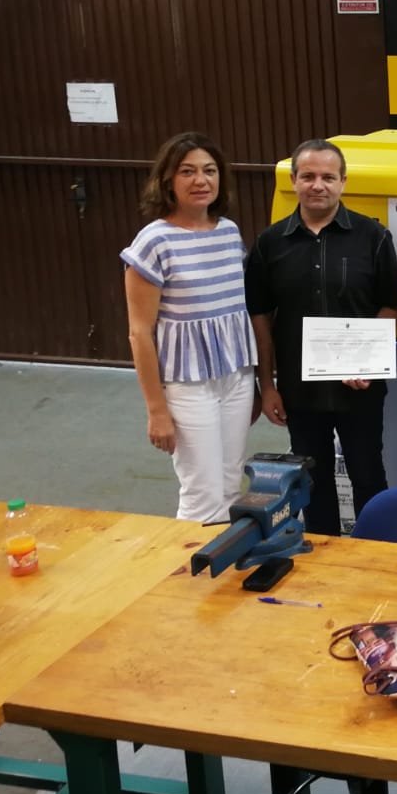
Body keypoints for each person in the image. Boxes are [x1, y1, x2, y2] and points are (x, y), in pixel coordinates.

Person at [244, 139, 397, 537]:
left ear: (343, 182)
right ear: (294, 181)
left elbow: (392, 305)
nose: (318, 185)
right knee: (311, 479)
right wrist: (268, 385)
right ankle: (324, 554)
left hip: (361, 387)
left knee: (369, 474)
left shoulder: (373, 237)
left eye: (328, 177)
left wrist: (366, 364)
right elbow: (260, 318)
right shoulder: (270, 243)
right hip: (300, 388)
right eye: (308, 176)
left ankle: (376, 550)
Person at [122, 132, 257, 522]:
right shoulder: (153, 242)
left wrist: (258, 381)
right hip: (188, 385)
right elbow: (139, 333)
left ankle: (224, 571)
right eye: (188, 172)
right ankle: (188, 577)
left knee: (231, 485)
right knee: (202, 493)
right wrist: (157, 410)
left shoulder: (229, 232)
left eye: (209, 171)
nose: (201, 180)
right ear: (168, 181)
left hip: (236, 377)